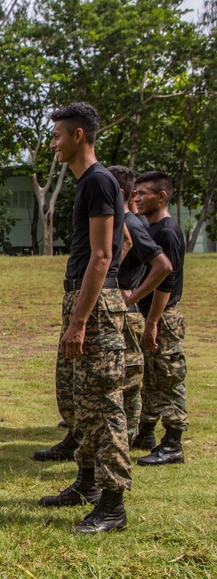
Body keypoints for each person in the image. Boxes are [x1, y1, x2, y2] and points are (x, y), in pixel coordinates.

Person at [34, 166, 171, 462]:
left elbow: (163, 267)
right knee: (86, 389)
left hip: (111, 309)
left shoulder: (130, 219)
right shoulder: (119, 217)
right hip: (103, 300)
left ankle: (132, 441)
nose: (54, 143)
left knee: (116, 388)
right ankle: (82, 446)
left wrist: (124, 291)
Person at [38, 102, 129, 534]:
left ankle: (112, 506)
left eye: (57, 136)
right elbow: (120, 243)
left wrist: (81, 319)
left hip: (92, 308)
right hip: (87, 299)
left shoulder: (97, 181)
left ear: (78, 136)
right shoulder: (91, 183)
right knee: (83, 403)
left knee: (103, 405)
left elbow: (104, 253)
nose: (53, 143)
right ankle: (87, 485)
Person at [132, 171, 187, 466]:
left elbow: (166, 281)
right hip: (150, 314)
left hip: (163, 315)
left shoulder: (167, 231)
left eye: (143, 194)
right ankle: (146, 432)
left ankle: (174, 444)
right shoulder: (149, 228)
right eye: (136, 193)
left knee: (168, 378)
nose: (137, 198)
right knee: (150, 377)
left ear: (161, 196)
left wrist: (152, 322)